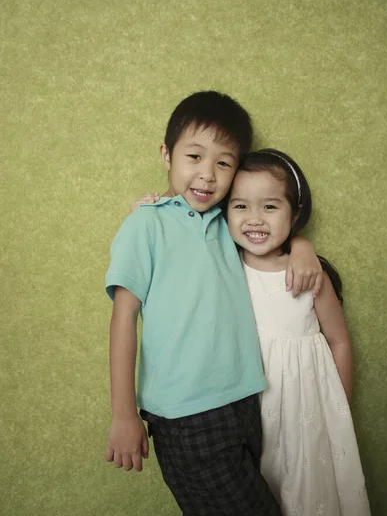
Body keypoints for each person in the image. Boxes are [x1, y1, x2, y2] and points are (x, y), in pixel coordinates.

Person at [105, 91, 322, 516]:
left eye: (223, 162)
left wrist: (301, 245)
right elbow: (123, 319)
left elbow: (269, 227)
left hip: (246, 402)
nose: (207, 175)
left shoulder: (228, 222)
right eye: (194, 157)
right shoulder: (145, 224)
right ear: (166, 154)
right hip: (188, 415)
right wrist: (124, 414)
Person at [226, 148, 371, 516]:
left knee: (310, 497)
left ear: (295, 214)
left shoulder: (309, 275)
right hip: (252, 417)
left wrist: (339, 410)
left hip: (307, 417)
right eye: (240, 206)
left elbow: (338, 341)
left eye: (270, 207)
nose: (254, 219)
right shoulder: (223, 267)